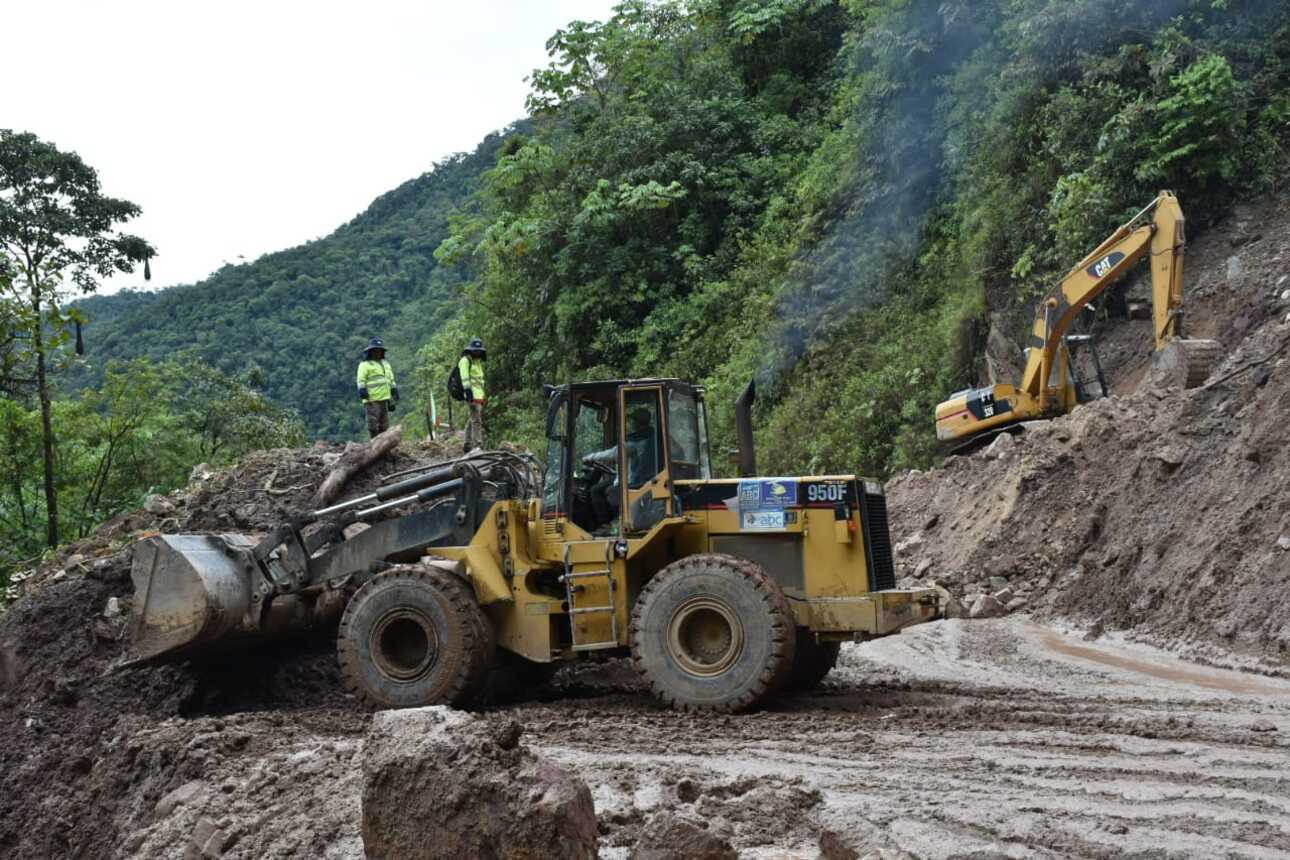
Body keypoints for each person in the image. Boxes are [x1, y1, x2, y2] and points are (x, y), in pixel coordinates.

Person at [356, 337, 398, 439]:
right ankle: (374, 444)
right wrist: (362, 390)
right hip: (372, 399)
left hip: (384, 398)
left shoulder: (385, 364)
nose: (378, 353)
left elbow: (390, 379)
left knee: (384, 425)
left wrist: (394, 391)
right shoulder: (365, 365)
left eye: (379, 350)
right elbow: (361, 380)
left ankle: (384, 445)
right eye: (375, 350)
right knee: (373, 424)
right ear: (370, 351)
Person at [458, 337, 487, 453]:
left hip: (479, 396)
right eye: (476, 350)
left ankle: (467, 443)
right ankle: (477, 446)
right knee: (477, 421)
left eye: (479, 350)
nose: (478, 352)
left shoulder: (478, 362)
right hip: (471, 396)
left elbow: (480, 381)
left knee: (472, 420)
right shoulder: (465, 361)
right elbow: (464, 378)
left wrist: (483, 396)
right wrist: (468, 392)